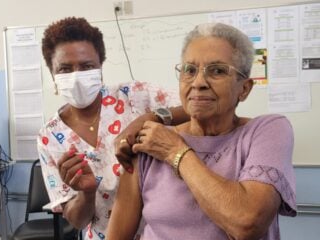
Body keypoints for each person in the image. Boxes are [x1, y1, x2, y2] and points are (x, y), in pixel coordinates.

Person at [107, 22, 297, 240]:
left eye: (217, 71)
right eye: (189, 70)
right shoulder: (148, 144)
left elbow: (247, 223)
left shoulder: (266, 131)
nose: (198, 83)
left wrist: (175, 152)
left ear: (244, 89)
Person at [37, 17, 188, 240]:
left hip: (164, 232)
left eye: (87, 66)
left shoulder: (136, 96)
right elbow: (78, 221)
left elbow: (197, 107)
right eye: (65, 69)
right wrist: (86, 193)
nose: (77, 77)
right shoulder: (50, 137)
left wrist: (153, 116)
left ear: (100, 68)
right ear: (53, 75)